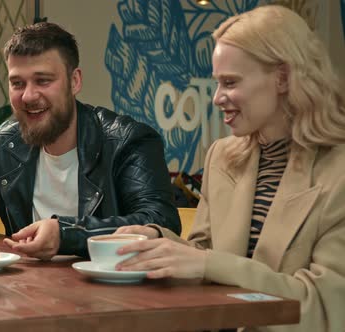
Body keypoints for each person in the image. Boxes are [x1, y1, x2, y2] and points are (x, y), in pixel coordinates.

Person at [114, 5, 345, 331]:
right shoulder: (222, 156)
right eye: (217, 83)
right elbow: (207, 255)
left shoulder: (339, 171)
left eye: (230, 82)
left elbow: (324, 307)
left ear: (282, 78)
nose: (217, 97)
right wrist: (157, 240)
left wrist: (205, 263)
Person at [0, 22, 180, 259]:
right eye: (17, 83)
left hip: (116, 302)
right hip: (32, 296)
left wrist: (67, 235)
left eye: (43, 80)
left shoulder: (127, 141)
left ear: (75, 81)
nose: (28, 96)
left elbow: (159, 221)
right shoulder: (10, 143)